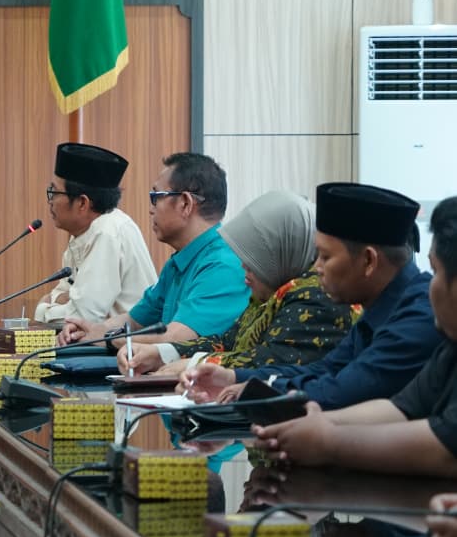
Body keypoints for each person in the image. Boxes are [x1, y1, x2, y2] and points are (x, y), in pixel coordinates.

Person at [245, 195, 457, 475]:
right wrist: (318, 424)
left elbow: (444, 448)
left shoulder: (419, 319)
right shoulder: (450, 348)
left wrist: (328, 441)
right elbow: (399, 408)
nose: (316, 268)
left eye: (437, 271)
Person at [181, 183, 441, 411]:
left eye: (326, 257)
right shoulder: (380, 306)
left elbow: (341, 392)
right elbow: (324, 370)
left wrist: (257, 390)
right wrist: (234, 378)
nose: (317, 268)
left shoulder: (418, 317)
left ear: (368, 261)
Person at [117, 190, 357, 376]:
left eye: (254, 257)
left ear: (280, 251)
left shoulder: (317, 296)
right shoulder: (269, 296)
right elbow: (227, 342)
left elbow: (270, 361)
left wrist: (194, 364)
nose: (243, 266)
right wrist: (161, 353)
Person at [57, 152, 248, 347]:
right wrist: (93, 330)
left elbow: (177, 339)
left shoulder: (223, 264)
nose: (151, 209)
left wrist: (107, 339)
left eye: (156, 197)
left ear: (185, 203)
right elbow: (134, 320)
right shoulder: (179, 262)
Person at [34, 142, 156, 328]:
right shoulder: (82, 234)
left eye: (54, 192)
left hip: (130, 343)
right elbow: (62, 294)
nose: (50, 202)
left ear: (82, 203)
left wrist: (43, 309)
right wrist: (61, 300)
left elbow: (83, 317)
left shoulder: (107, 232)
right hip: (103, 340)